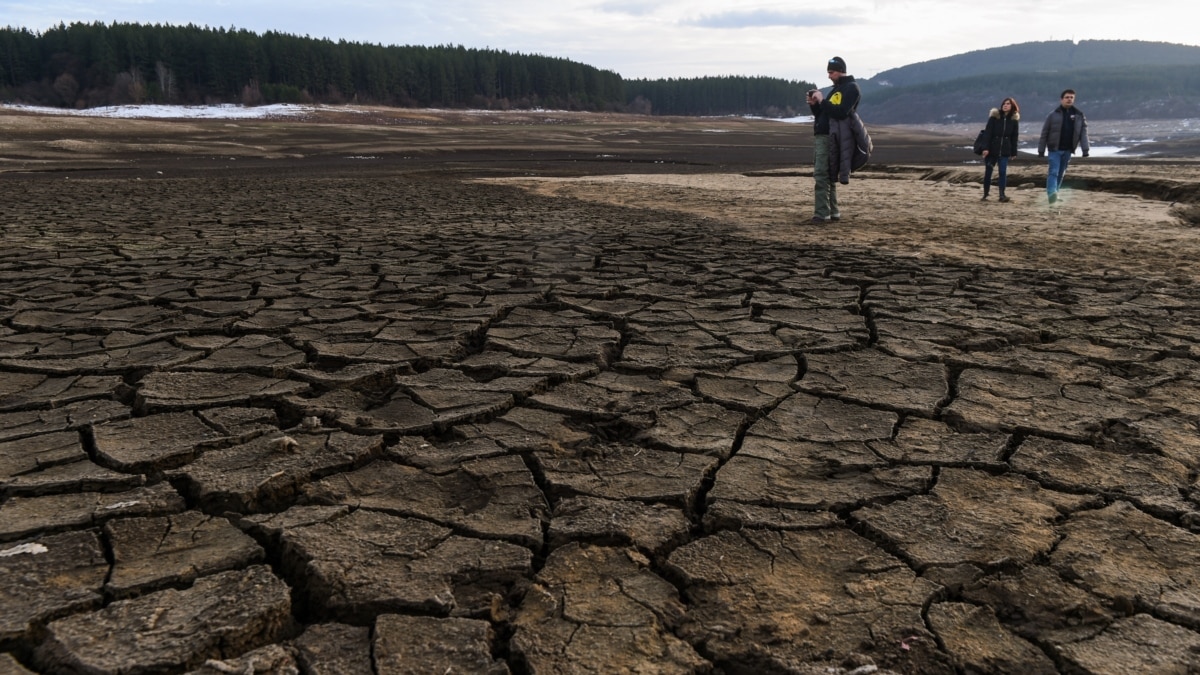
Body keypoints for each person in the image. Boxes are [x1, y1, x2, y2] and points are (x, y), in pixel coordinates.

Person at [806, 56, 861, 224]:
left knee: (822, 174)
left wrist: (823, 100)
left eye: (832, 72)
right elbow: (824, 115)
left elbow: (841, 112)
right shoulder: (837, 89)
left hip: (831, 137)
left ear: (841, 71)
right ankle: (832, 212)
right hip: (825, 136)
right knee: (828, 175)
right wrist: (815, 104)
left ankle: (822, 214)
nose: (829, 75)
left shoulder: (851, 88)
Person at [1037, 89, 1089, 204]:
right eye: (1067, 97)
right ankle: (1051, 194)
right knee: (1053, 171)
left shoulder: (1079, 115)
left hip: (1068, 149)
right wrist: (1041, 150)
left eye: (1071, 97)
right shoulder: (1052, 115)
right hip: (1054, 149)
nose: (1069, 99)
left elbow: (1083, 133)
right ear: (1062, 99)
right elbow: (1044, 133)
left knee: (1061, 173)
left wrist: (1085, 149)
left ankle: (1056, 192)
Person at [980, 97, 1020, 202]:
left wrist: (1013, 152)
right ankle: (985, 195)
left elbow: (1014, 137)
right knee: (988, 172)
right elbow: (987, 134)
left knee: (1002, 172)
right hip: (992, 149)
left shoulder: (1014, 120)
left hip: (1005, 150)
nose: (1005, 105)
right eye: (1004, 103)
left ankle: (1002, 195)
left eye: (1008, 104)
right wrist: (985, 148)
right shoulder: (994, 117)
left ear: (1012, 106)